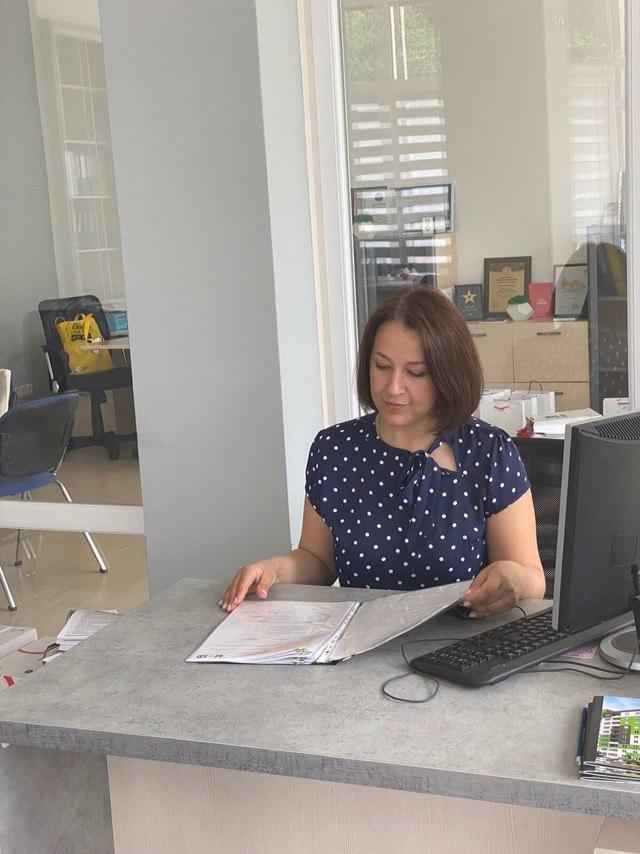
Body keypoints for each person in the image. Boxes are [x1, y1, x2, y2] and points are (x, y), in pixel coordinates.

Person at [220, 287, 545, 617]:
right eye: (381, 366)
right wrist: (274, 570)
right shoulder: (334, 449)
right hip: (361, 640)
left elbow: (533, 580)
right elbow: (317, 560)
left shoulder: (489, 451)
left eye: (416, 373)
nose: (393, 387)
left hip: (462, 640)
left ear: (448, 374)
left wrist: (514, 579)